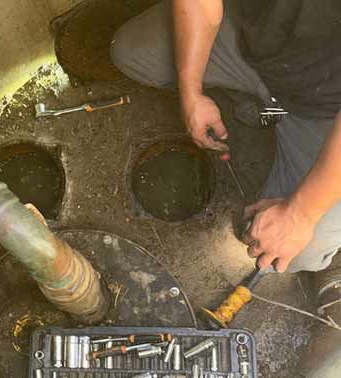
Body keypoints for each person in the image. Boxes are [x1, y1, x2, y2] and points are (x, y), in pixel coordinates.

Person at [110, 0, 341, 275]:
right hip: (253, 44)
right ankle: (264, 102)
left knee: (290, 252)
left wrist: (300, 213)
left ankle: (275, 113)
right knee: (132, 53)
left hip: (324, 109)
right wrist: (191, 90)